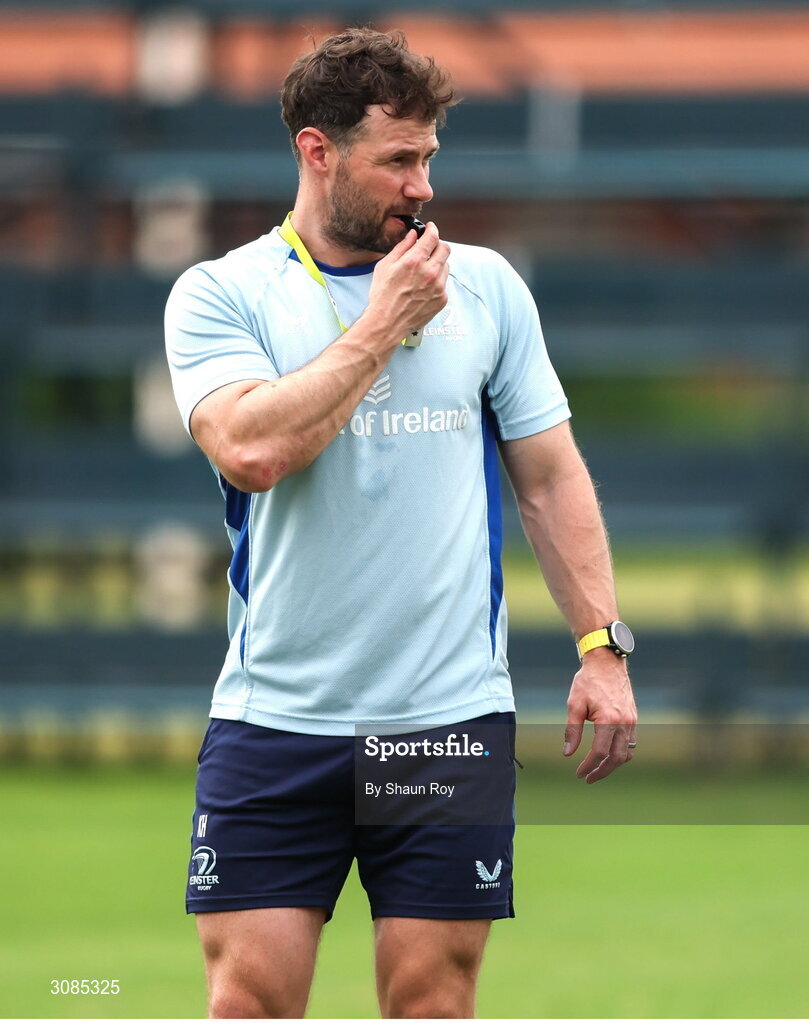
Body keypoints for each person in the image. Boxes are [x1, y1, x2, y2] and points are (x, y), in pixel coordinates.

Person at [164, 26, 637, 1019]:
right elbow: (252, 450)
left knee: (432, 1004)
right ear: (316, 151)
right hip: (275, 719)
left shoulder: (487, 287)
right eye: (396, 160)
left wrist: (601, 646)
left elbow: (549, 478)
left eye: (428, 157)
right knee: (248, 1003)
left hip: (444, 723)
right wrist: (382, 324)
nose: (421, 186)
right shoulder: (220, 293)